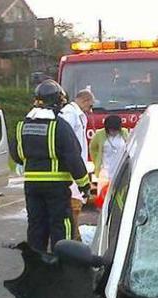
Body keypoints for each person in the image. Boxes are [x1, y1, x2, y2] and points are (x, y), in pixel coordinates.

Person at [10, 80, 90, 252]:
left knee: (36, 225)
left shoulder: (21, 126)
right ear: (57, 101)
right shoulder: (59, 126)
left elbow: (17, 155)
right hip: (56, 187)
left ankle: (37, 265)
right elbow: (73, 157)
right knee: (61, 224)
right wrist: (84, 184)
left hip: (32, 186)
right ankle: (63, 264)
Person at [59, 89, 94, 240]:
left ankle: (74, 233)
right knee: (74, 204)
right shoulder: (69, 114)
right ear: (84, 100)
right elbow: (66, 141)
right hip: (71, 165)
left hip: (77, 163)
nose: (90, 109)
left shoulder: (77, 115)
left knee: (77, 203)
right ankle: (73, 235)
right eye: (90, 105)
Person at [89, 115, 129, 181]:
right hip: (105, 171)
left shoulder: (124, 132)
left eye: (115, 130)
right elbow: (92, 148)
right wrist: (97, 162)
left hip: (121, 169)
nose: (113, 132)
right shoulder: (99, 134)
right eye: (111, 130)